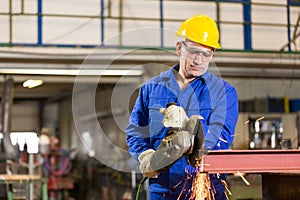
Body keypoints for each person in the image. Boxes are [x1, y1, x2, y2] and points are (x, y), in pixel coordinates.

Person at [126, 14, 238, 200]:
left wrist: (191, 126)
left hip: (205, 188)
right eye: (193, 51)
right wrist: (144, 155)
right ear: (179, 48)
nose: (198, 60)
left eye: (206, 54)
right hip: (161, 190)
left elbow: (222, 140)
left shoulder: (224, 92)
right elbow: (135, 133)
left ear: (212, 55)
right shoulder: (151, 89)